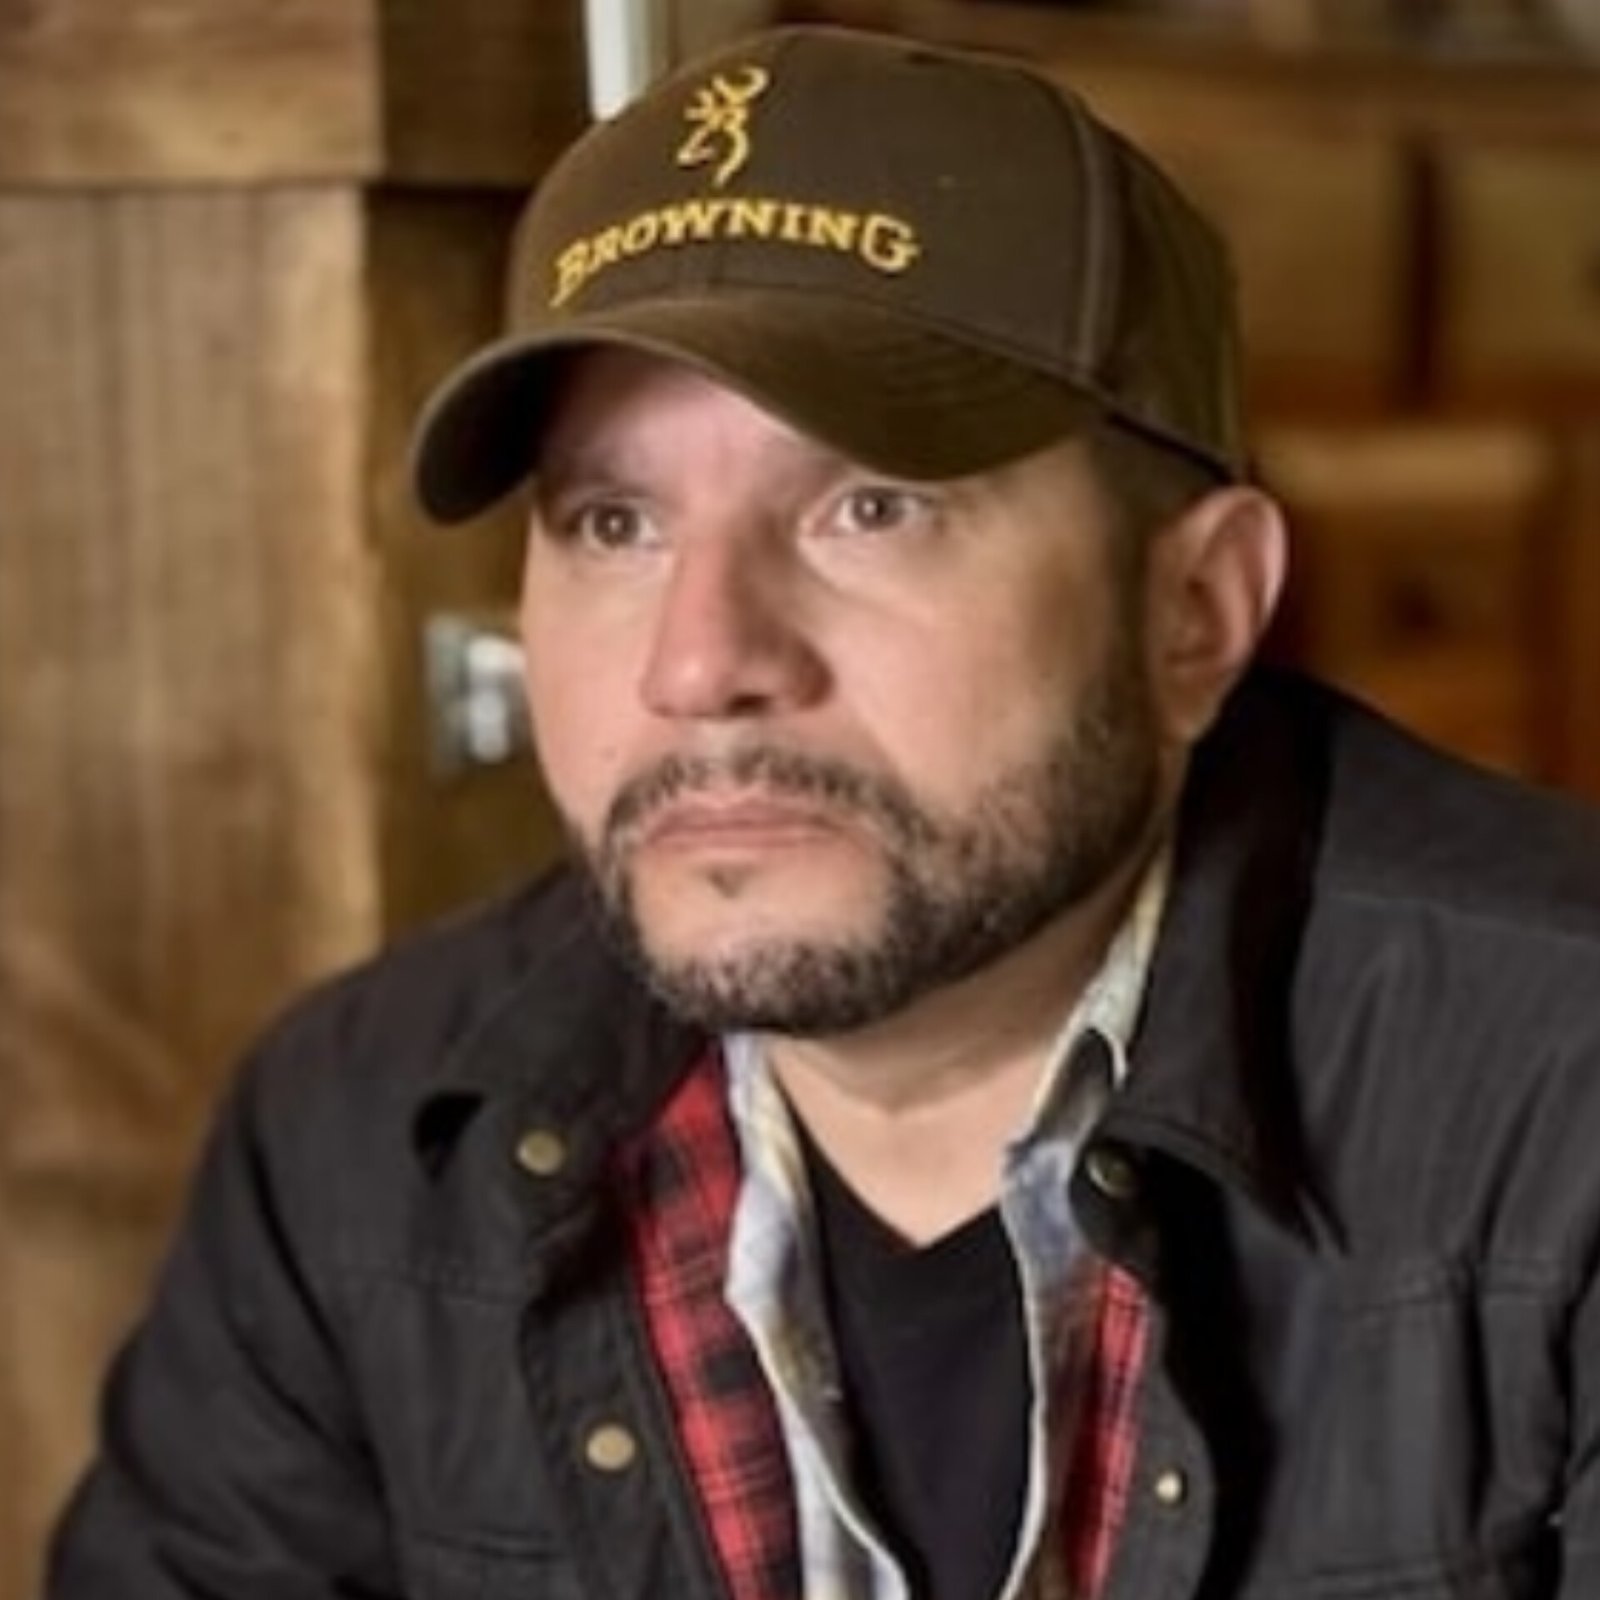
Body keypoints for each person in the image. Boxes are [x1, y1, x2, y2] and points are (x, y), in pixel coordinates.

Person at [46, 23, 1600, 1600]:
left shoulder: (1562, 1094)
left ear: (1192, 610)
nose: (701, 662)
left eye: (871, 506)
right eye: (614, 522)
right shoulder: (361, 1140)